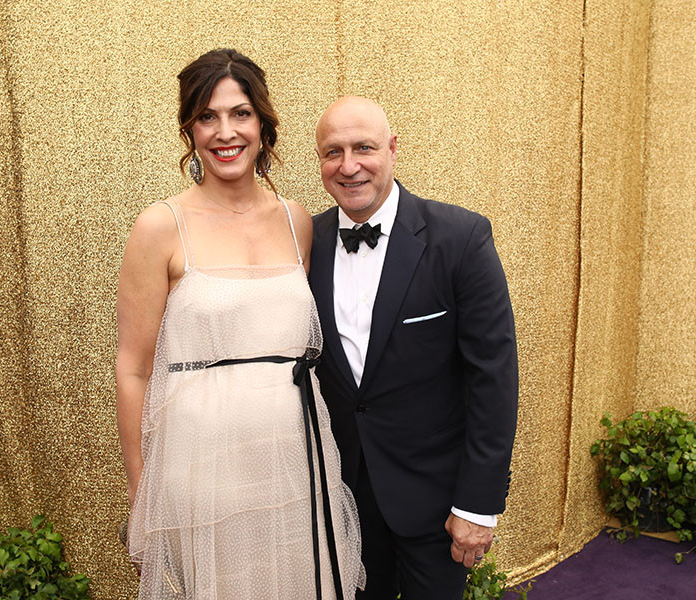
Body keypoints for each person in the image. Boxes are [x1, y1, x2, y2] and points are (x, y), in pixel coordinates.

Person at [115, 50, 365, 599]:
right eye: (207, 116)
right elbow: (133, 370)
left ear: (263, 123)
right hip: (204, 466)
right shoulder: (160, 226)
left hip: (295, 455)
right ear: (189, 129)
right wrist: (141, 494)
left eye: (240, 113)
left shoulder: (296, 221)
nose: (225, 132)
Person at [309, 96, 519, 599]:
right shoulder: (305, 243)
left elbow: (493, 377)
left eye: (364, 148)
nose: (349, 166)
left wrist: (477, 504)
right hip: (342, 499)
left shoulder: (461, 238)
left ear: (393, 149)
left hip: (436, 503)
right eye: (333, 152)